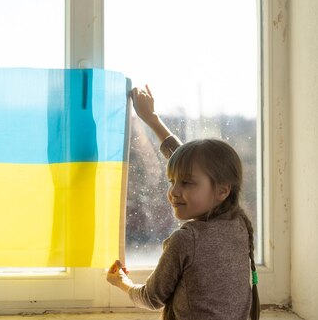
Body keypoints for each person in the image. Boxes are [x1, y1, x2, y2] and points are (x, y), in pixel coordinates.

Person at [107, 85, 260, 320]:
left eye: (186, 183)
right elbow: (191, 164)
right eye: (172, 181)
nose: (174, 192)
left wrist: (122, 282)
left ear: (222, 190)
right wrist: (153, 120)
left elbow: (150, 298)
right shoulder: (239, 224)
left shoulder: (186, 240)